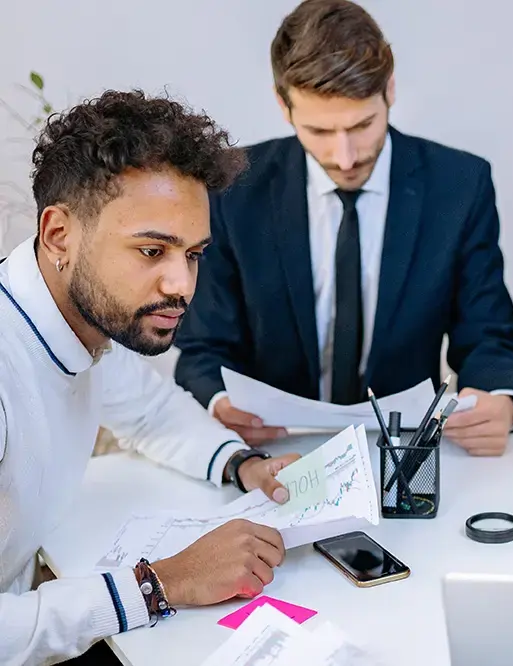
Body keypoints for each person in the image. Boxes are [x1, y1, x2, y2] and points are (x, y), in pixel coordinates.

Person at [0, 90, 304, 665]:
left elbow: (150, 411)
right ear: (59, 235)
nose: (181, 285)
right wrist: (161, 583)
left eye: (192, 254)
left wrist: (243, 464)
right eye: (151, 251)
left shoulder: (79, 322)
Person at [172, 0, 513, 456]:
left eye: (362, 125)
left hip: (401, 456)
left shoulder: (459, 186)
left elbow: (487, 332)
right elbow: (203, 347)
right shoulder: (232, 189)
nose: (345, 157)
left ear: (391, 91)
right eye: (320, 132)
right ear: (283, 107)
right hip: (275, 458)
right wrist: (220, 404)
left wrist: (500, 400)